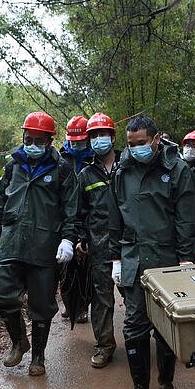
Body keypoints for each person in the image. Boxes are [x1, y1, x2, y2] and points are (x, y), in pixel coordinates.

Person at [110, 115, 195, 389]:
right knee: (133, 325)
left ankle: (166, 382)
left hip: (167, 260)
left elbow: (186, 217)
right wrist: (115, 258)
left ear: (157, 140)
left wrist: (187, 258)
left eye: (142, 143)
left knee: (165, 327)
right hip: (134, 258)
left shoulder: (177, 170)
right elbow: (115, 216)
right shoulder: (122, 172)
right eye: (131, 144)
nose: (136, 149)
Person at [0, 111, 79, 376]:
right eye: (29, 138)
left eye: (40, 140)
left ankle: (38, 357)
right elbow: (0, 202)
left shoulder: (61, 170)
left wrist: (68, 239)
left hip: (44, 247)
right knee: (0, 294)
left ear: (50, 140)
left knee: (42, 305)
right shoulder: (13, 166)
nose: (33, 144)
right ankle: (19, 341)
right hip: (12, 242)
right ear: (23, 136)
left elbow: (71, 209)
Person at [76, 112, 120, 367]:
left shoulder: (128, 168)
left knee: (138, 298)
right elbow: (80, 212)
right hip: (99, 246)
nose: (98, 140)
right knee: (102, 300)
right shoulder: (86, 175)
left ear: (113, 137)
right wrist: (82, 237)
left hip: (129, 245)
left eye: (103, 134)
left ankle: (147, 343)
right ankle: (105, 346)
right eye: (94, 136)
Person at [59, 115, 94, 323]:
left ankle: (82, 306)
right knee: (66, 266)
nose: (76, 145)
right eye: (73, 141)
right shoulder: (62, 157)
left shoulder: (94, 157)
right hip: (66, 215)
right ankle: (69, 303)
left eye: (80, 141)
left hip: (88, 214)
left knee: (85, 267)